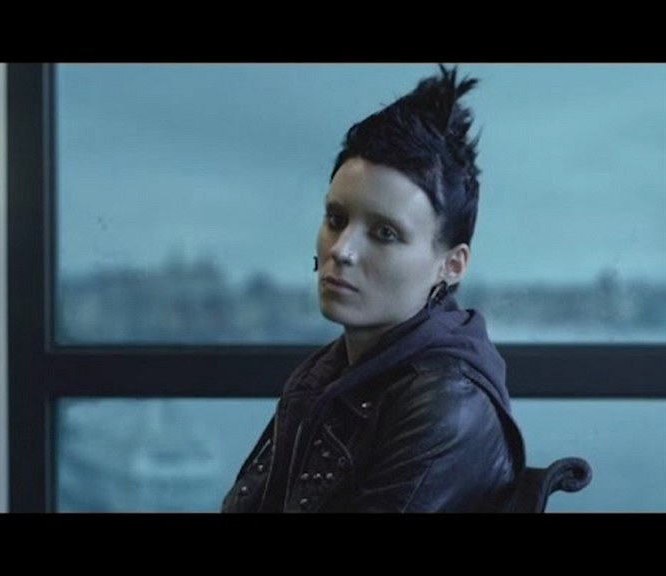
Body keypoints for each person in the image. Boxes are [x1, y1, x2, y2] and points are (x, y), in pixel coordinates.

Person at [222, 64, 526, 513]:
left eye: (385, 233)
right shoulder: (326, 375)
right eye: (336, 219)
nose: (342, 250)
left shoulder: (447, 403)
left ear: (451, 265)